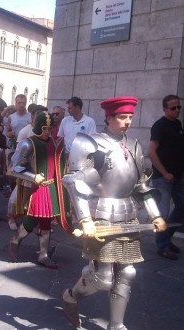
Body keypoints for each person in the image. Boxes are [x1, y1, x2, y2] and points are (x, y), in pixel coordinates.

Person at [61, 96, 167, 329]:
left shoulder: (134, 145)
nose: (128, 121)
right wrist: (85, 219)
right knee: (103, 278)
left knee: (127, 272)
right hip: (100, 213)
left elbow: (141, 186)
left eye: (130, 117)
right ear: (109, 117)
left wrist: (155, 215)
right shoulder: (89, 142)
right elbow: (74, 181)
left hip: (128, 214)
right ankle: (71, 295)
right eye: (122, 117)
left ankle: (116, 325)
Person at [8, 112, 67, 268]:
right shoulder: (27, 144)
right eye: (45, 128)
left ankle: (44, 254)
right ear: (38, 127)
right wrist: (33, 177)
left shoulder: (55, 143)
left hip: (52, 187)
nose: (48, 131)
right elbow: (14, 168)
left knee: (46, 222)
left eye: (50, 128)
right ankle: (16, 240)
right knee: (31, 220)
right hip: (37, 189)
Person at [147, 94, 184, 260]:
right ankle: (162, 246)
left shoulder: (178, 124)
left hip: (177, 177)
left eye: (179, 107)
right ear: (164, 109)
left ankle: (166, 238)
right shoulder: (159, 126)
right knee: (162, 212)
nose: (177, 110)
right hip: (163, 177)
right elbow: (151, 152)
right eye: (173, 108)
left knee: (182, 206)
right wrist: (164, 173)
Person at [7, 105, 46, 230]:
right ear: (33, 117)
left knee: (38, 198)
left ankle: (37, 221)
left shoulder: (46, 132)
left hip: (42, 170)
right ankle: (12, 218)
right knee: (18, 197)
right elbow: (19, 154)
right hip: (27, 170)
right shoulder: (25, 131)